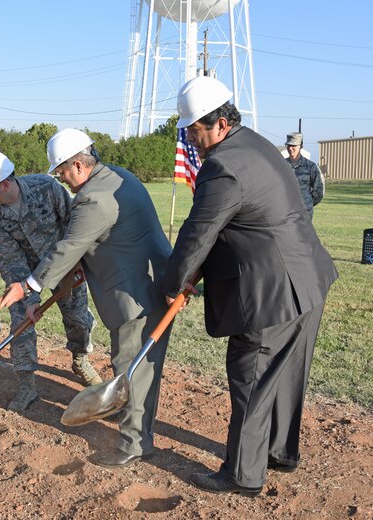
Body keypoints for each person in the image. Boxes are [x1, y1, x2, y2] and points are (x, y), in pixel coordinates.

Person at [163, 76, 338, 497]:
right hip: (308, 279)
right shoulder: (256, 143)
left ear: (220, 123)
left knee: (253, 376)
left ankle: (242, 473)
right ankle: (279, 453)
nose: (192, 138)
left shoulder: (223, 164)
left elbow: (198, 232)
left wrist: (174, 284)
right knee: (285, 374)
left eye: (195, 130)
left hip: (271, 291)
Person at [1, 129, 173, 467]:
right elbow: (108, 239)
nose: (62, 180)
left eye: (62, 171)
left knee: (131, 370)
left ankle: (134, 444)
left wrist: (30, 285)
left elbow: (68, 248)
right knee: (142, 370)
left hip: (133, 296)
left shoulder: (92, 199)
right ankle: (139, 434)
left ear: (79, 164)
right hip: (153, 282)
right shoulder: (120, 176)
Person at [0, 150, 100, 412]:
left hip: (64, 263)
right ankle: (27, 383)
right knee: (21, 322)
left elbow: (73, 224)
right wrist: (28, 298)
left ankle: (80, 358)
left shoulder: (46, 186)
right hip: (26, 273)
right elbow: (9, 259)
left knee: (78, 319)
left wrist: (79, 262)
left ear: (5, 184)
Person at [285, 132, 324, 219]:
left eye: (294, 146)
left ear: (301, 146)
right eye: (288, 145)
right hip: (286, 211)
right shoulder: (281, 165)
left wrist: (308, 203)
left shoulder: (311, 167)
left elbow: (319, 192)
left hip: (304, 212)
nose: (290, 148)